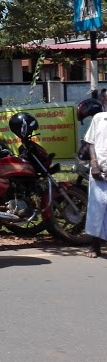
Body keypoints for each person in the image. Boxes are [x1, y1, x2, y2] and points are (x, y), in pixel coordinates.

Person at [83, 108, 107, 258]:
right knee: (96, 209)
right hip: (98, 170)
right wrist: (94, 164)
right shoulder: (99, 118)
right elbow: (90, 143)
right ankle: (94, 246)